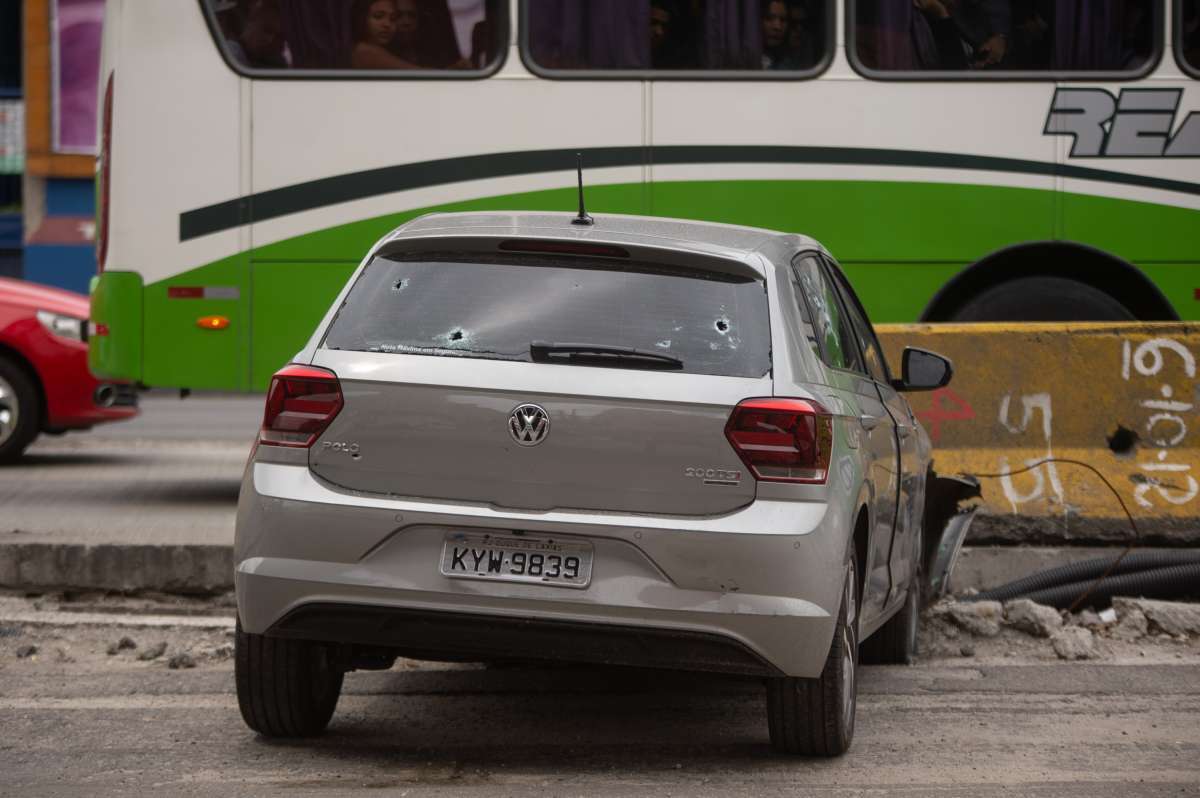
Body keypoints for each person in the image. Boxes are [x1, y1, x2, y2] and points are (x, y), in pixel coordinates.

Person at [350, 0, 419, 69]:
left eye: (392, 19)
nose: (387, 24)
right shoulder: (365, 51)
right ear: (362, 18)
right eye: (378, 16)